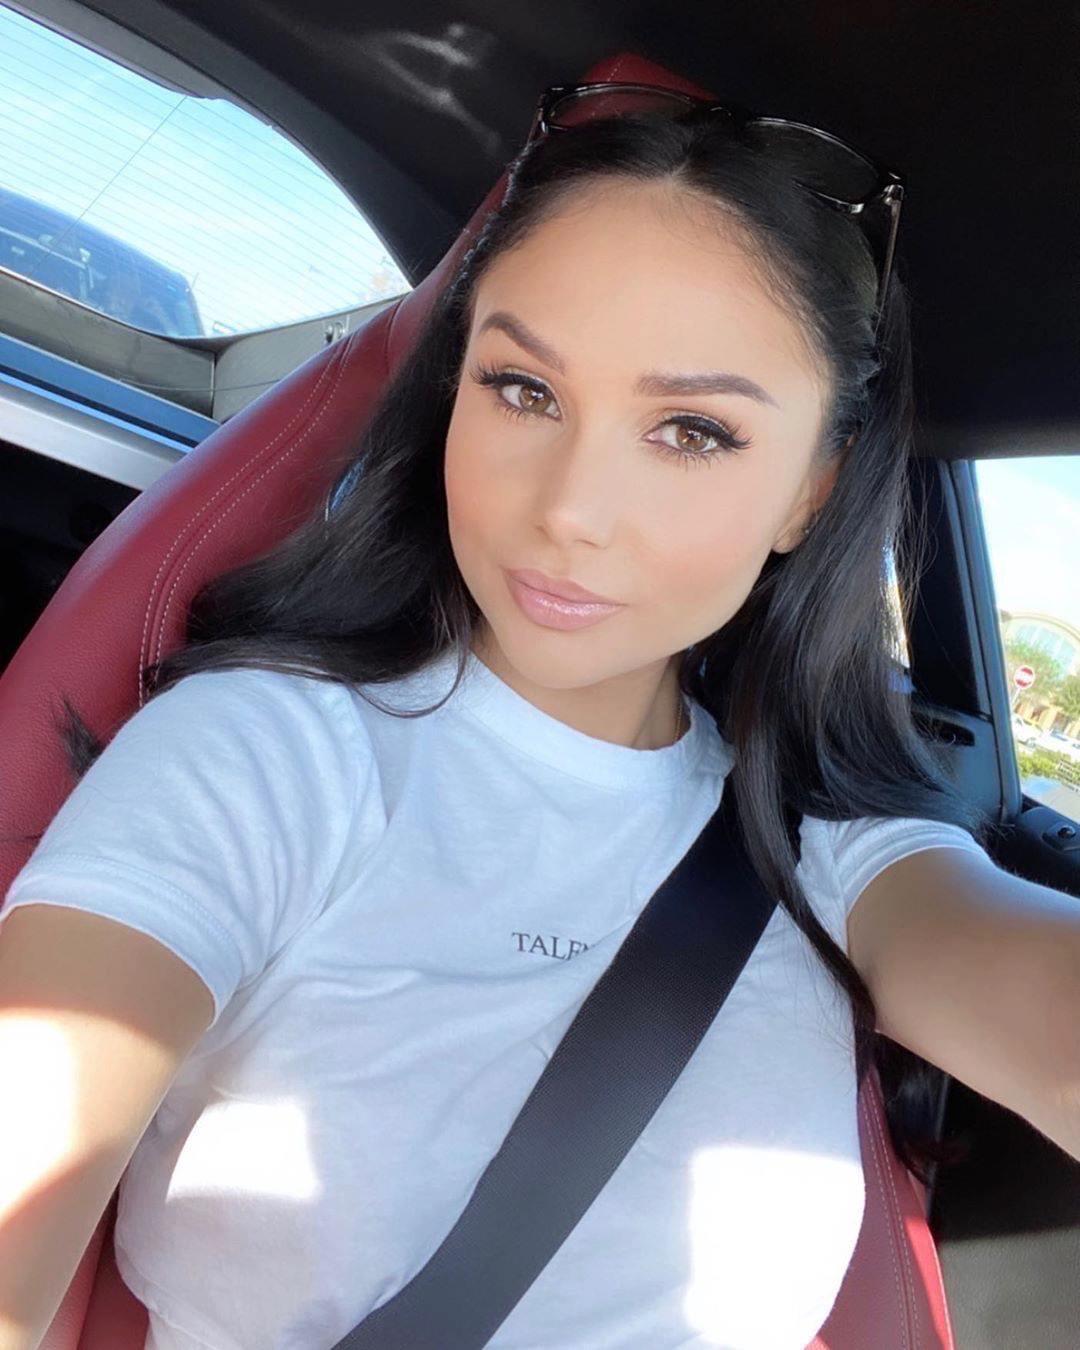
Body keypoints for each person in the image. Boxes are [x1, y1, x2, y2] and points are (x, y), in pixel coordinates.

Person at [2, 85, 1077, 1350]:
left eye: (692, 431)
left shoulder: (825, 854)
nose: (570, 509)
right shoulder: (263, 757)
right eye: (522, 389)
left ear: (811, 491)